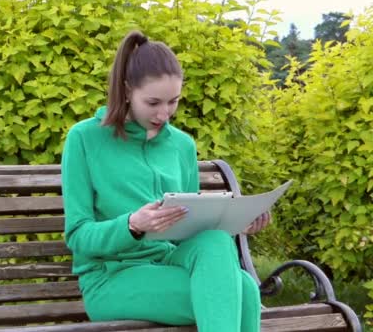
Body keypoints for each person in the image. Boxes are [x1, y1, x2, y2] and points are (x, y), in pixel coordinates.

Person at [60, 30, 271, 332]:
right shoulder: (85, 138)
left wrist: (237, 223)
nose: (164, 114)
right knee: (243, 294)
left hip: (169, 263)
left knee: (219, 245)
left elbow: (189, 229)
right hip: (112, 276)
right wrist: (132, 225)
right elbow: (78, 235)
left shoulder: (181, 145)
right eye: (153, 102)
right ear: (126, 90)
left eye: (173, 102)